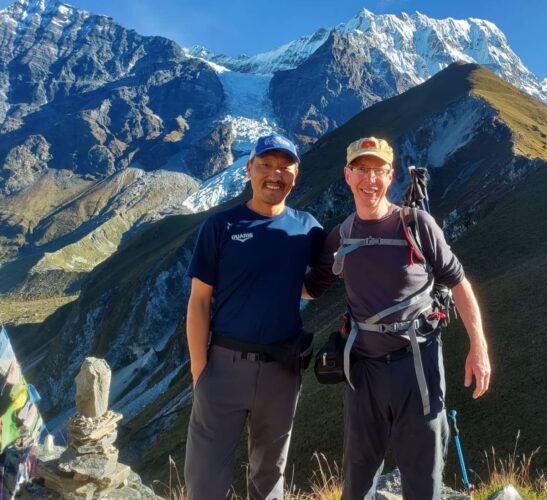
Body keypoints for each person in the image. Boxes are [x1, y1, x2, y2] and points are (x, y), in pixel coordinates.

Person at [304, 137, 491, 499]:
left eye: (378, 171)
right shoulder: (339, 238)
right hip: (363, 371)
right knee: (357, 478)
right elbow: (312, 288)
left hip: (418, 365)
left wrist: (478, 347)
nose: (369, 179)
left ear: (390, 177)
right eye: (362, 169)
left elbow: (459, 283)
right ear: (347, 174)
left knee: (423, 478)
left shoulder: (417, 225)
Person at [184, 133, 324, 500]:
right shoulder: (221, 226)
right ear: (249, 170)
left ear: (296, 174)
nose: (275, 175)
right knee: (205, 480)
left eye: (284, 167)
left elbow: (312, 284)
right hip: (222, 367)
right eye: (265, 165)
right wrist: (200, 370)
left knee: (269, 476)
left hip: (282, 369)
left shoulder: (307, 227)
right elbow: (199, 300)